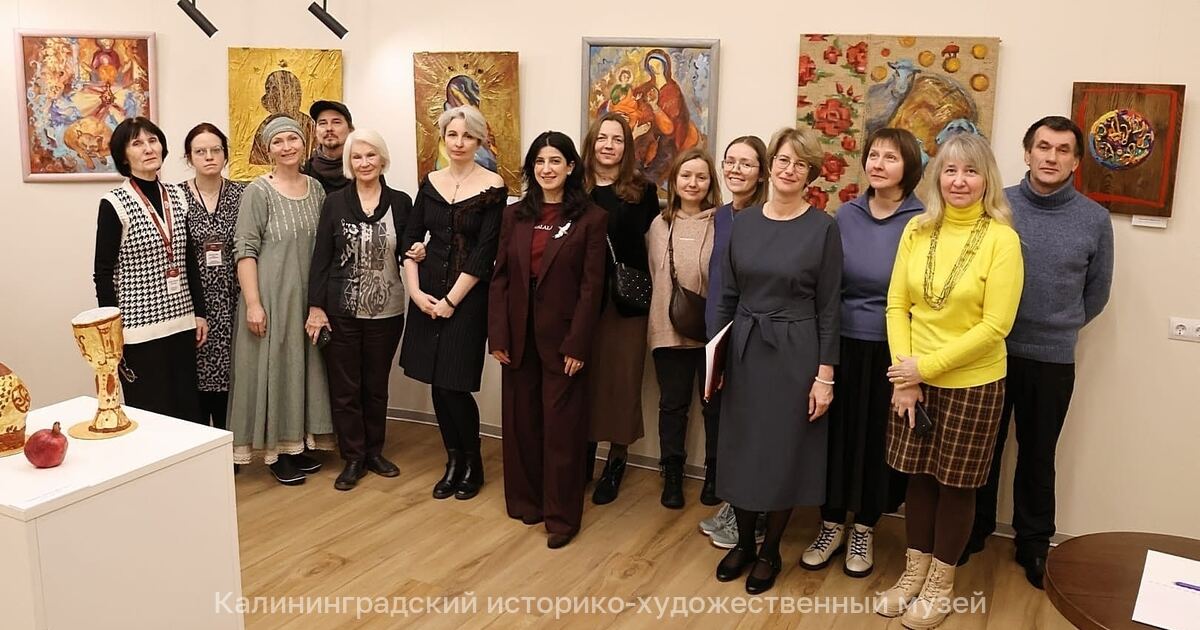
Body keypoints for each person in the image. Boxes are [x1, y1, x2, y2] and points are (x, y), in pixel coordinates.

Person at [876, 133, 1024, 628]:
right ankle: (913, 575)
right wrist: (906, 377)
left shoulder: (1002, 239)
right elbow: (897, 305)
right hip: (914, 380)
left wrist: (925, 368)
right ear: (937, 177)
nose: (959, 181)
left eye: (971, 171)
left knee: (957, 486)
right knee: (918, 478)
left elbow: (995, 326)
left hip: (973, 384)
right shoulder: (917, 230)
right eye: (950, 171)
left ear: (987, 180)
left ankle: (940, 584)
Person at [966, 116, 1114, 588]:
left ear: (1076, 161)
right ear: (1027, 153)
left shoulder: (1094, 219)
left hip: (1051, 357)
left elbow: (1097, 293)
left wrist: (1058, 325)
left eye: (1063, 150)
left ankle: (1033, 543)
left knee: (1037, 453)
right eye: (1043, 147)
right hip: (988, 350)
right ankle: (973, 529)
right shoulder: (997, 205)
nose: (1051, 157)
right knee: (981, 448)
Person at [711, 128, 842, 595]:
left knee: (784, 451)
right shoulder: (743, 223)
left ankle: (770, 551)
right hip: (745, 348)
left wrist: (825, 376)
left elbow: (830, 307)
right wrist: (715, 360)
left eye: (800, 164)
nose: (789, 170)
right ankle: (745, 542)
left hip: (796, 353)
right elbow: (726, 295)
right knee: (743, 448)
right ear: (770, 165)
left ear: (810, 174)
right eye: (783, 160)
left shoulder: (823, 228)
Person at [799, 128, 923, 578]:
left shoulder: (922, 221)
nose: (878, 164)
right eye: (873, 155)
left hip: (895, 350)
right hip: (841, 342)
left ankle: (865, 527)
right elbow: (828, 284)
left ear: (909, 166)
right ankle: (831, 523)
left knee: (877, 441)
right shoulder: (846, 214)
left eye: (891, 157)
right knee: (834, 437)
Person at [487, 131, 608, 549]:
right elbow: (500, 277)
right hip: (517, 334)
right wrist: (498, 334)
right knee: (521, 422)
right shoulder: (514, 215)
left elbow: (592, 288)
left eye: (555, 161)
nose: (547, 169)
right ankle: (527, 502)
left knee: (562, 429)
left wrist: (578, 343)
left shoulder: (590, 218)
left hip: (563, 339)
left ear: (571, 167)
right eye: (539, 162)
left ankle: (561, 517)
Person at [400, 105, 507, 501]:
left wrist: (450, 301)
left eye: (468, 136)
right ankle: (453, 461)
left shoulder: (493, 186)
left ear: (479, 140)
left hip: (467, 299)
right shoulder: (430, 182)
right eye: (452, 135)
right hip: (427, 294)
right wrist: (416, 294)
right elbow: (410, 240)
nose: (459, 143)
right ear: (443, 139)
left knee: (455, 385)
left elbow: (484, 253)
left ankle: (472, 463)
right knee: (436, 384)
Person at [308, 129, 424, 491]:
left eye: (370, 155)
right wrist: (316, 307)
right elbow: (321, 258)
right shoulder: (335, 203)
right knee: (345, 388)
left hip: (387, 312)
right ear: (349, 162)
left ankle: (374, 452)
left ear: (382, 159)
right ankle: (353, 457)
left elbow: (407, 250)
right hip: (341, 310)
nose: (364, 163)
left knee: (375, 386)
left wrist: (418, 250)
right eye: (357, 157)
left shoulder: (401, 202)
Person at [229, 116, 334, 486]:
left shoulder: (316, 189)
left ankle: (298, 444)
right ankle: (275, 453)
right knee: (274, 371)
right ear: (268, 148)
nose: (287, 146)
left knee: (302, 369)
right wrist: (254, 304)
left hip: (307, 298)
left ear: (304, 143)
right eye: (278, 141)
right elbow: (245, 250)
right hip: (271, 299)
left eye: (293, 139)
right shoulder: (258, 191)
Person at [92, 116, 206, 422]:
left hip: (181, 322)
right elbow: (103, 273)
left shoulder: (178, 196)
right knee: (152, 416)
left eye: (153, 140)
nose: (148, 148)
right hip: (138, 330)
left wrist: (199, 312)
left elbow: (188, 258)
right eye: (137, 143)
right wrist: (111, 332)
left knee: (188, 414)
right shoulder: (114, 203)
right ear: (123, 156)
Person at [580, 113, 659, 505]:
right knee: (584, 380)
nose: (609, 145)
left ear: (627, 147)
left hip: (626, 302)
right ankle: (583, 457)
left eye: (617, 139)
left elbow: (653, 246)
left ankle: (616, 461)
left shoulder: (643, 191)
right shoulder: (575, 188)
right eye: (602, 138)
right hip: (580, 301)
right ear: (591, 143)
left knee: (622, 383)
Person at [700, 135, 770, 547]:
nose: (736, 170)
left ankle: (755, 515)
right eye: (730, 161)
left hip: (752, 337)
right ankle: (735, 504)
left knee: (753, 428)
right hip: (718, 330)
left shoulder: (766, 217)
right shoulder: (720, 216)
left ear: (762, 173)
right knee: (726, 424)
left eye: (747, 163)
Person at [646, 148, 720, 509]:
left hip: (711, 333)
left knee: (714, 408)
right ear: (673, 181)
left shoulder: (723, 223)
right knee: (672, 406)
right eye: (685, 176)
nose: (693, 183)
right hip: (668, 331)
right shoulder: (658, 225)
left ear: (710, 183)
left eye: (701, 176)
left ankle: (715, 473)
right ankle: (672, 473)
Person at [181, 123, 248, 430]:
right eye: (200, 151)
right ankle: (200, 443)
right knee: (194, 379)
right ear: (189, 157)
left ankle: (230, 443)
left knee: (233, 377)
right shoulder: (176, 197)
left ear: (225, 154)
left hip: (235, 298)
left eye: (215, 150)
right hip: (192, 303)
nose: (209, 156)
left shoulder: (244, 194)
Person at [249, 70, 317, 165]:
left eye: (295, 94)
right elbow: (257, 162)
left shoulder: (309, 124)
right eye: (280, 95)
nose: (287, 148)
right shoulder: (265, 127)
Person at [302, 100, 354, 194]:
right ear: (315, 131)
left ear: (350, 129)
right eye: (322, 123)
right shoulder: (306, 171)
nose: (329, 128)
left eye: (336, 122)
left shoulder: (362, 167)